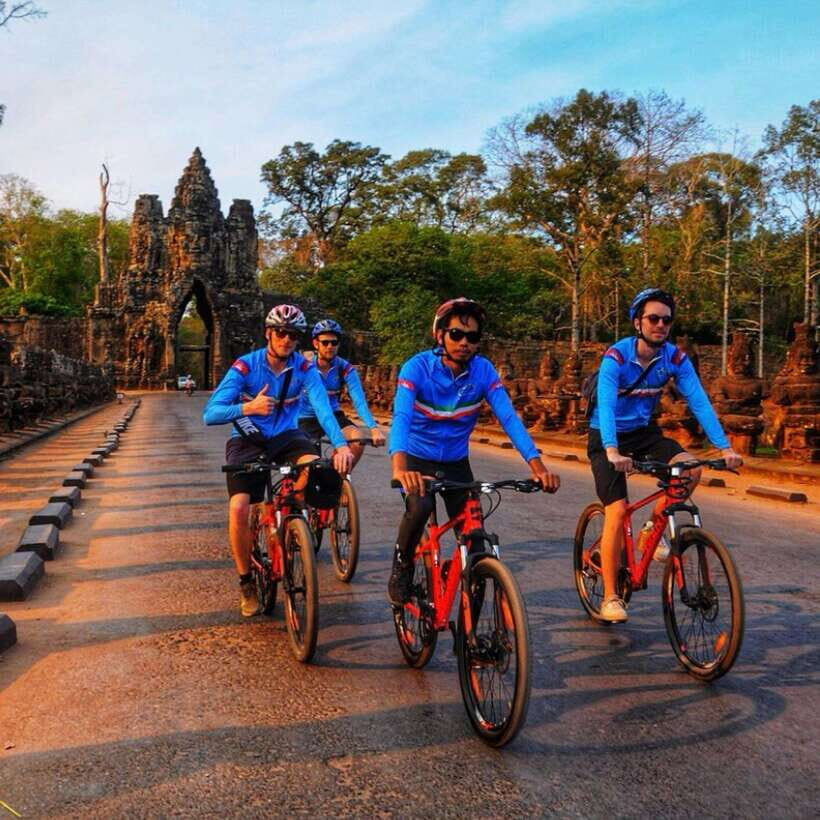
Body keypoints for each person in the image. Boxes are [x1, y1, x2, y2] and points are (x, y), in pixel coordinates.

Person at [387, 297, 561, 606]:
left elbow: (508, 417)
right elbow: (401, 417)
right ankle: (402, 567)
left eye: (472, 337)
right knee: (421, 506)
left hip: (455, 462)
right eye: (457, 334)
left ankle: (474, 636)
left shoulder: (483, 371)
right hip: (416, 459)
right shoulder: (417, 367)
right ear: (440, 335)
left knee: (476, 542)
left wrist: (538, 468)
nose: (464, 343)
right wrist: (400, 468)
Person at [587, 287, 742, 623]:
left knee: (690, 469)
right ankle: (611, 597)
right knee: (616, 510)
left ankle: (649, 531)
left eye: (666, 320)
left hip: (643, 434)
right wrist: (612, 450)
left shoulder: (674, 358)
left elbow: (699, 401)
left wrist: (725, 447)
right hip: (606, 435)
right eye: (653, 318)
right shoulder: (616, 357)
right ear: (637, 322)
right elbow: (607, 406)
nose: (660, 325)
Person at [203, 304, 354, 617]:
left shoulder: (304, 369)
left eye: (293, 335)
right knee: (240, 506)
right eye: (281, 333)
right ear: (269, 334)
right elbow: (211, 413)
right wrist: (248, 408)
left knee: (319, 469)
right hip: (247, 437)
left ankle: (292, 513)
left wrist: (340, 445)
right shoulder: (246, 367)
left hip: (286, 437)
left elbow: (323, 409)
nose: (286, 339)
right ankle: (246, 580)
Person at [298, 319, 386, 467]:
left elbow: (359, 401)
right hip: (305, 418)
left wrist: (374, 428)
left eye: (334, 342)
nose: (330, 347)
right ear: (316, 344)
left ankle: (337, 478)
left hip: (334, 415)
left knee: (358, 440)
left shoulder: (344, 368)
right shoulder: (304, 367)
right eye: (325, 342)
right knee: (310, 464)